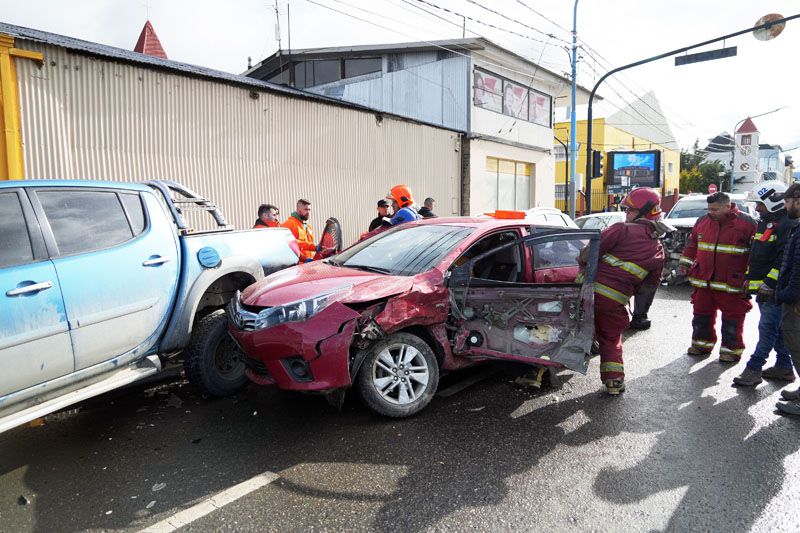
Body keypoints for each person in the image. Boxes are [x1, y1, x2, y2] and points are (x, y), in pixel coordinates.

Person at [585, 187, 665, 395]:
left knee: (566, 333)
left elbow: (588, 254)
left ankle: (537, 375)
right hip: (614, 302)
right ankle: (614, 382)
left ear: (644, 212)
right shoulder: (657, 248)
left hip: (587, 295)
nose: (626, 214)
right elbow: (648, 286)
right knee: (611, 338)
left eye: (629, 210)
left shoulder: (621, 230)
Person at [678, 192, 757, 362]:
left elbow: (756, 253)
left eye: (715, 209)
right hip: (704, 280)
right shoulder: (703, 222)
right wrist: (685, 263)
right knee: (701, 314)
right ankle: (701, 345)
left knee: (732, 317)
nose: (710, 212)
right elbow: (692, 244)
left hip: (732, 282)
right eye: (709, 209)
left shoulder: (748, 224)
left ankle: (731, 350)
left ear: (728, 207)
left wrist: (751, 277)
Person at [734, 182, 797, 386]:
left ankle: (754, 368)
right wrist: (748, 278)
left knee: (768, 329)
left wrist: (770, 283)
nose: (757, 208)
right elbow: (757, 256)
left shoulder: (787, 224)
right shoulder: (767, 222)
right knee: (777, 329)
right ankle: (784, 367)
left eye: (760, 204)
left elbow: (783, 260)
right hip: (765, 290)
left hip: (773, 290)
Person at [775, 183, 800, 416]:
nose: (785, 206)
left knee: (798, 345)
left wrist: (786, 295)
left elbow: (798, 269)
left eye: (787, 202)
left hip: (796, 301)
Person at [282, 199, 316, 263]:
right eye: (305, 209)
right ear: (298, 210)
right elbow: (289, 245)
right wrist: (304, 259)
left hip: (310, 263)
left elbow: (310, 245)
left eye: (309, 210)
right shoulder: (289, 224)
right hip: (298, 265)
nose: (308, 212)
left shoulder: (308, 226)